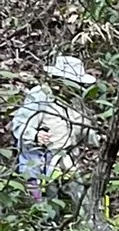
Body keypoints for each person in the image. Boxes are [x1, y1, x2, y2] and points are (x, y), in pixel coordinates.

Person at [10, 55, 97, 204]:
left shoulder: (75, 101)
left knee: (80, 196)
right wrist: (35, 135)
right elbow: (19, 124)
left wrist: (99, 140)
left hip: (65, 158)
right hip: (37, 159)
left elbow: (84, 127)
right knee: (42, 202)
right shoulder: (40, 95)